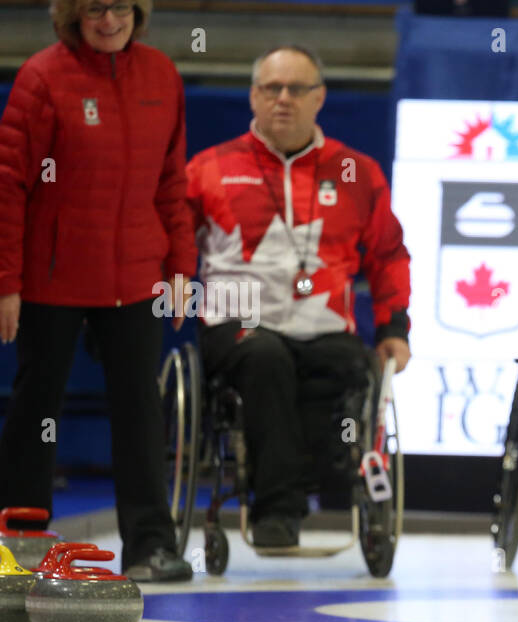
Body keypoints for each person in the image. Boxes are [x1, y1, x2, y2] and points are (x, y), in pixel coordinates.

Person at [186, 45, 412, 548]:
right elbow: (174, 246)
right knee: (266, 357)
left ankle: (331, 482)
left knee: (349, 366)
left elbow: (388, 255)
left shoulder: (357, 172)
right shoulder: (209, 168)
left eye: (296, 89)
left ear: (320, 98)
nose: (282, 99)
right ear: (253, 96)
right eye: (271, 88)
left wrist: (395, 328)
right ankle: (277, 510)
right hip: (239, 324)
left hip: (324, 325)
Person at [0, 0, 194, 581]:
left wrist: (180, 268)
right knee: (38, 409)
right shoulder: (43, 76)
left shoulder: (161, 74)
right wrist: (7, 282)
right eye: (91, 11)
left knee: (139, 410)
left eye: (116, 8)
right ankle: (21, 543)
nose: (107, 21)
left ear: (137, 11)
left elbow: (171, 180)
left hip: (134, 276)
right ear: (71, 18)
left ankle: (151, 547)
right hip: (52, 277)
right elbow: (8, 186)